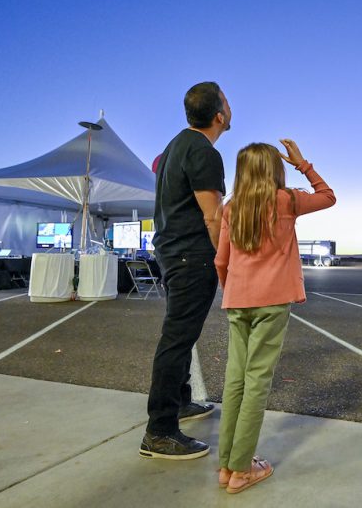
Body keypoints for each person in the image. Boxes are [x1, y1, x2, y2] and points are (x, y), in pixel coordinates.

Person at [214, 139, 335, 494]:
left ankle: (226, 464)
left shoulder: (231, 207)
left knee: (235, 379)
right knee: (256, 382)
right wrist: (303, 164)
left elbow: (221, 261)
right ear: (274, 169)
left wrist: (232, 290)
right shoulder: (286, 200)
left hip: (238, 302)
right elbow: (328, 196)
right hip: (272, 303)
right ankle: (241, 469)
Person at [139, 82, 231, 460]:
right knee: (177, 339)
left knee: (181, 335)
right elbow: (213, 216)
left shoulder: (175, 146)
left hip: (172, 252)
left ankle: (180, 402)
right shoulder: (204, 152)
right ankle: (159, 431)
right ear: (220, 116)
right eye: (227, 101)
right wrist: (226, 263)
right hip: (191, 256)